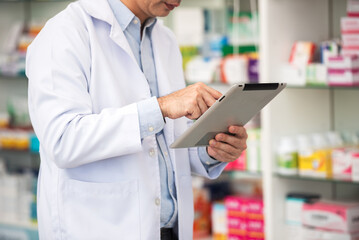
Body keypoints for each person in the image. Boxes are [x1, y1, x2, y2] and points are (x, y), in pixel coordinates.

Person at [26, 0, 248, 239]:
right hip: (97, 229)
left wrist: (214, 150)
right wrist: (161, 108)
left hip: (169, 231)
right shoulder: (65, 32)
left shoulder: (165, 40)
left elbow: (163, 148)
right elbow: (62, 140)